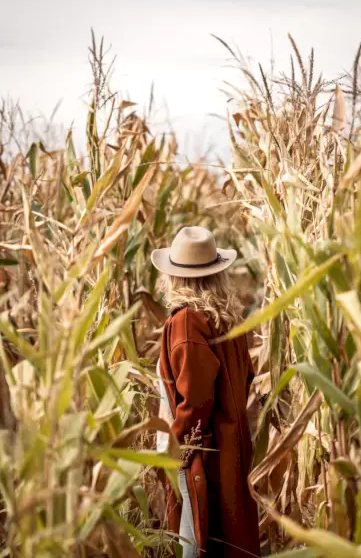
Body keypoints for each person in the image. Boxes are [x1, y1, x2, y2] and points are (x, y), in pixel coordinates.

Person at [151, 226, 261, 558]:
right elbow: (246, 378)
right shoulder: (227, 319)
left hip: (200, 455)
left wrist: (178, 450)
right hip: (231, 450)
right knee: (223, 541)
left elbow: (196, 399)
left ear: (174, 277)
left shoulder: (186, 322)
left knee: (192, 544)